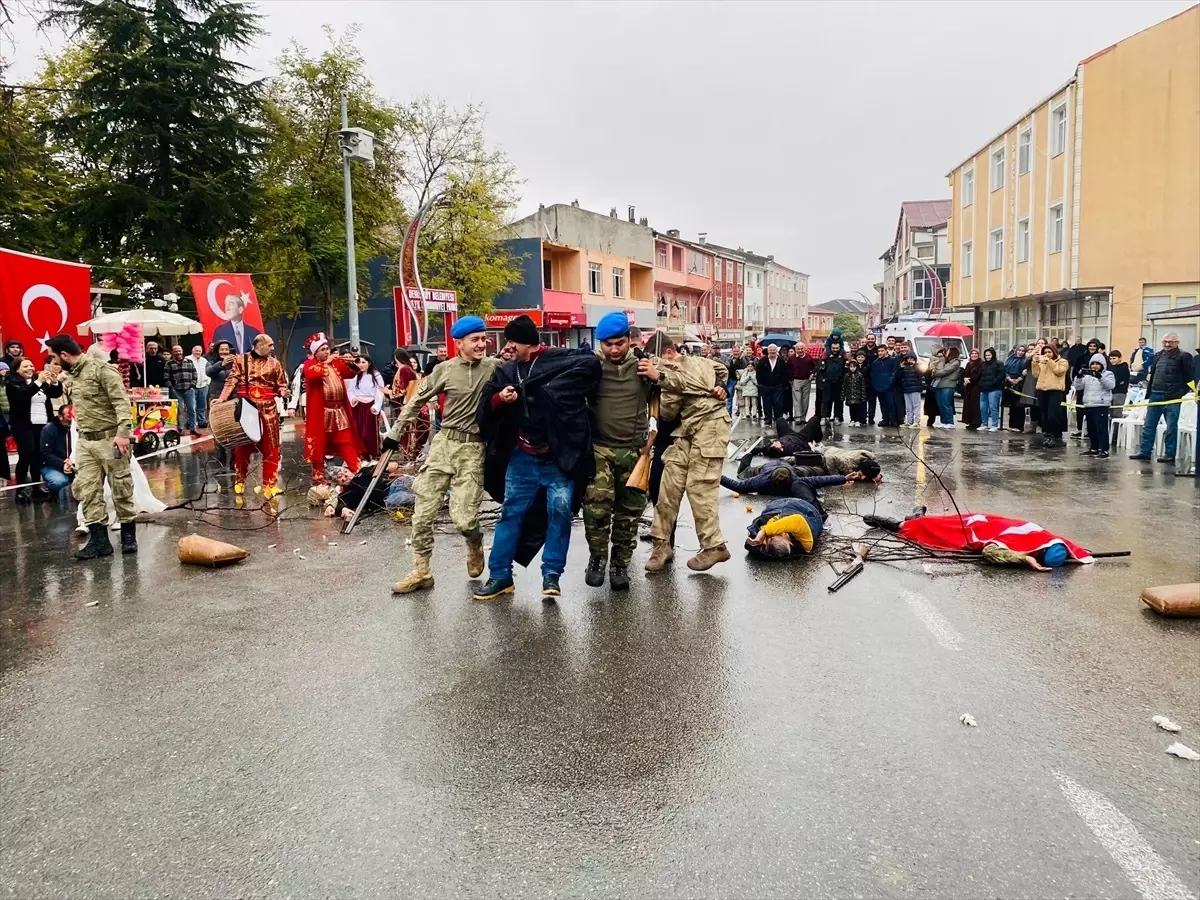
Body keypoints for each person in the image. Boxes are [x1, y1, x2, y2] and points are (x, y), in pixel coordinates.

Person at [475, 315, 601, 601]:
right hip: (522, 457)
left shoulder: (560, 361)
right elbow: (485, 407)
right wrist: (499, 400)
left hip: (557, 457)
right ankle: (500, 576)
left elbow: (591, 364)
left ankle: (552, 575)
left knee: (560, 512)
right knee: (510, 514)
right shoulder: (506, 372)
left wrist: (549, 390)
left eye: (512, 342)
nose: (508, 347)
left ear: (527, 343)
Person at [384, 317, 499, 594]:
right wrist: (395, 432)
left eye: (484, 339)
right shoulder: (444, 370)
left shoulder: (495, 368)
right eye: (475, 340)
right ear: (459, 343)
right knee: (422, 511)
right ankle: (421, 571)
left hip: (473, 449)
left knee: (464, 518)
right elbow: (417, 400)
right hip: (443, 444)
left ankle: (474, 542)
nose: (481, 344)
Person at [640, 333, 731, 574]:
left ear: (669, 354)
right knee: (667, 486)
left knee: (700, 486)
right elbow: (720, 370)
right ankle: (661, 544)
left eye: (657, 360)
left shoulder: (691, 365)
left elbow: (672, 405)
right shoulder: (683, 370)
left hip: (710, 426)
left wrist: (660, 378)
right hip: (687, 431)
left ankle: (714, 546)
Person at [46, 335, 138, 558]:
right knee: (87, 490)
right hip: (85, 441)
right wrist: (54, 381)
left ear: (65, 355)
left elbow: (121, 403)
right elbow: (59, 394)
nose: (53, 362)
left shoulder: (102, 370)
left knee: (121, 487)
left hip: (110, 439)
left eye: (54, 358)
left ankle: (128, 536)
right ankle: (100, 541)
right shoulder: (70, 375)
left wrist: (123, 434)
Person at [582, 312, 653, 591]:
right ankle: (598, 557)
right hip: (600, 448)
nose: (614, 349)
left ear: (629, 340)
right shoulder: (591, 366)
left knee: (629, 512)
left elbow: (694, 372)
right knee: (596, 507)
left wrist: (659, 377)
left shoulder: (644, 366)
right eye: (608, 344)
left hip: (635, 450)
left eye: (619, 343)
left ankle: (620, 564)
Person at [864, 509, 1093, 572]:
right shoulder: (1019, 543)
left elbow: (1074, 550)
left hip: (983, 523)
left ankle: (917, 518)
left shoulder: (1052, 539)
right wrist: (1023, 558)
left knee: (938, 525)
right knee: (932, 530)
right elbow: (991, 552)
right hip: (980, 527)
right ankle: (897, 523)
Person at [218, 333, 290, 498]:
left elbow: (280, 385)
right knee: (242, 447)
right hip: (247, 408)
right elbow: (231, 381)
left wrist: (283, 391)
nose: (272, 348)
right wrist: (221, 399)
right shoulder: (241, 360)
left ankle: (269, 485)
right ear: (259, 345)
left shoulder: (275, 363)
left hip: (269, 410)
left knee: (271, 448)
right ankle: (240, 481)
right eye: (270, 345)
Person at [302, 333, 362, 483]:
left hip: (339, 411)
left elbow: (351, 373)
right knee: (319, 443)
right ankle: (318, 475)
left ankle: (357, 469)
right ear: (316, 352)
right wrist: (326, 362)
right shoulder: (310, 364)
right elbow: (311, 375)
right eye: (322, 349)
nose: (326, 352)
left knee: (345, 440)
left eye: (327, 349)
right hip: (321, 413)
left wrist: (352, 362)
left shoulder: (337, 364)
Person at [1129, 333, 1196, 465]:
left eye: (1170, 342)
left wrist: (1185, 391)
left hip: (1172, 397)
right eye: (1165, 341)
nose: (1167, 344)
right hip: (1155, 395)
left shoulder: (1184, 356)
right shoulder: (1158, 355)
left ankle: (1169, 454)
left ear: (1177, 342)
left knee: (1171, 426)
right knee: (1148, 425)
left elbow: (1190, 376)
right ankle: (1145, 451)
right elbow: (1152, 373)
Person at [6, 357, 63, 503]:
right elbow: (22, 396)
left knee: (38, 456)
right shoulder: (12, 382)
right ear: (17, 369)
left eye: (31, 365)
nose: (30, 369)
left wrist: (55, 381)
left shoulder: (39, 382)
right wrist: (39, 382)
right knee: (26, 455)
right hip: (23, 425)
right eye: (25, 366)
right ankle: (20, 489)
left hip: (42, 424)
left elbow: (55, 393)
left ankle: (37, 487)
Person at [722, 459, 865, 500]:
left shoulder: (795, 479)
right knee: (743, 473)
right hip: (767, 467)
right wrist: (716, 477)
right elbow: (738, 486)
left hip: (788, 467)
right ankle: (748, 455)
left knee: (814, 471)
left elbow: (820, 479)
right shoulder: (761, 480)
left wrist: (843, 478)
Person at [389, 348, 429, 460]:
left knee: (409, 430)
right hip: (407, 403)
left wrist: (388, 392)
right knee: (409, 430)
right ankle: (411, 454)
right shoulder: (408, 369)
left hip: (405, 403)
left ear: (396, 358)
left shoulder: (404, 370)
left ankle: (410, 455)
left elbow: (402, 390)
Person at [1074, 352, 1116, 459]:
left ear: (1102, 365)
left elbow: (1110, 386)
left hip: (1101, 405)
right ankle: (1094, 448)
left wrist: (1100, 377)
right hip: (1089, 404)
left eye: (1098, 364)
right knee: (1091, 428)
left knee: (1101, 429)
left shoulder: (1108, 374)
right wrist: (1078, 377)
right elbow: (1078, 387)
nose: (1095, 366)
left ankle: (1104, 450)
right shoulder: (1087, 376)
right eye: (1093, 364)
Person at [346, 354, 386, 462]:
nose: (361, 365)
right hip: (358, 405)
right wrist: (353, 398)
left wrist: (376, 405)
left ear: (369, 363)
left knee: (370, 431)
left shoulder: (376, 375)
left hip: (370, 404)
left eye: (363, 362)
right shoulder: (355, 376)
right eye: (358, 362)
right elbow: (350, 390)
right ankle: (362, 453)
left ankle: (374, 452)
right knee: (358, 430)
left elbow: (380, 390)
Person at [1031, 343, 1069, 448]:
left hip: (1055, 391)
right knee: (1044, 414)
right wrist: (1034, 363)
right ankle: (1047, 434)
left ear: (1054, 352)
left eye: (1049, 352)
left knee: (1053, 414)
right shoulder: (1043, 362)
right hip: (1042, 390)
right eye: (1045, 352)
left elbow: (1059, 371)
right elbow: (1036, 374)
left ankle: (1056, 435)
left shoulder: (1063, 362)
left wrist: (1049, 362)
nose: (1047, 354)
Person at [39, 402, 74, 503]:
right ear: (60, 417)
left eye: (73, 416)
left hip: (73, 463)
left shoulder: (76, 428)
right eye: (69, 416)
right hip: (52, 465)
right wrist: (62, 463)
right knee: (59, 481)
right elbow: (45, 453)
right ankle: (52, 492)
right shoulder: (48, 430)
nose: (71, 419)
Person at [164, 344, 201, 437]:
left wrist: (192, 386)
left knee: (192, 409)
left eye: (179, 351)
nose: (178, 353)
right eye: (176, 351)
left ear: (182, 351)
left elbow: (195, 375)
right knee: (179, 410)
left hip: (189, 389)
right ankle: (180, 429)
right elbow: (166, 377)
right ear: (173, 352)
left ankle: (193, 428)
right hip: (177, 390)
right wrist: (171, 388)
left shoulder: (189, 361)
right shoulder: (169, 363)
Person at [1069, 339, 1102, 438]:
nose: (1092, 348)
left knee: (1092, 409)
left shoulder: (1101, 358)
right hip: (1082, 386)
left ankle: (1091, 430)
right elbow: (1075, 372)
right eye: (1090, 346)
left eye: (1094, 346)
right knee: (1080, 408)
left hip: (1095, 387)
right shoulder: (1081, 358)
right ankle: (1080, 428)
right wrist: (1079, 378)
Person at [928, 346, 962, 429]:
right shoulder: (946, 361)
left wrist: (935, 373)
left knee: (946, 404)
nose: (945, 353)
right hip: (940, 384)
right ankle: (944, 421)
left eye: (948, 351)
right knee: (940, 404)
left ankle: (950, 422)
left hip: (948, 385)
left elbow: (945, 371)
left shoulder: (955, 362)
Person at [755, 344, 788, 427]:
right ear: (768, 351)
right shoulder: (762, 360)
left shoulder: (781, 360)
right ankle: (768, 419)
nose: (772, 351)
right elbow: (758, 373)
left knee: (778, 403)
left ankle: (778, 419)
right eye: (771, 350)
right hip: (765, 386)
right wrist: (760, 384)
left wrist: (783, 384)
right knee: (766, 403)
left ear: (776, 351)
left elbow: (784, 373)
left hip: (778, 386)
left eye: (774, 350)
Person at [976, 347, 1006, 431]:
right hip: (984, 389)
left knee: (993, 407)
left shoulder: (999, 363)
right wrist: (980, 384)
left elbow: (1001, 375)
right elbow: (979, 375)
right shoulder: (983, 365)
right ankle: (984, 423)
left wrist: (993, 382)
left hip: (994, 389)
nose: (987, 357)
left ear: (993, 355)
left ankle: (994, 425)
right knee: (983, 407)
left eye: (989, 355)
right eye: (986, 355)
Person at [869, 345, 898, 427]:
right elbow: (873, 375)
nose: (880, 353)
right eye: (879, 351)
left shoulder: (892, 360)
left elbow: (894, 372)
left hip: (890, 387)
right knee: (883, 404)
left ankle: (893, 420)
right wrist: (875, 385)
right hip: (879, 387)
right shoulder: (875, 363)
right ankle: (885, 419)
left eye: (882, 351)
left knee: (891, 403)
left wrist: (890, 382)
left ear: (886, 351)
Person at [1003, 346, 1030, 432]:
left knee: (1019, 406)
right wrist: (1009, 378)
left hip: (1021, 384)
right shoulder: (1010, 359)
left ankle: (1019, 426)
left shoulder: (1025, 360)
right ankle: (1012, 425)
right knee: (1012, 405)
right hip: (1010, 382)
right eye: (1019, 350)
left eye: (1023, 351)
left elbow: (1026, 371)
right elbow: (1005, 370)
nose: (1020, 352)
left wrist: (1019, 379)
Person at [818, 341, 845, 424]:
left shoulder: (843, 357)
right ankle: (824, 417)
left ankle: (837, 417)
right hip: (827, 381)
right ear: (831, 348)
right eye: (833, 348)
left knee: (838, 401)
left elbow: (845, 369)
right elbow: (820, 369)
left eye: (837, 348)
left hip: (838, 381)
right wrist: (823, 379)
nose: (835, 350)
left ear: (839, 348)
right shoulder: (825, 357)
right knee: (826, 400)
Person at [788, 344, 816, 422]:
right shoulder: (792, 358)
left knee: (805, 400)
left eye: (801, 349)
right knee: (797, 400)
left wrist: (812, 374)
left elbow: (814, 367)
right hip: (796, 380)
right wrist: (791, 379)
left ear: (804, 349)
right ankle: (798, 417)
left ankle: (803, 417)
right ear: (796, 349)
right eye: (798, 349)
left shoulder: (808, 357)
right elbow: (788, 369)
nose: (800, 350)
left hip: (807, 380)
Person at [898, 351, 923, 428]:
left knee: (916, 406)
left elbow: (921, 374)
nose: (910, 360)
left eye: (911, 358)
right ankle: (909, 421)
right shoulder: (904, 367)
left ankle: (917, 421)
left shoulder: (917, 366)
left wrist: (914, 365)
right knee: (908, 406)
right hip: (906, 388)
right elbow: (899, 376)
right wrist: (900, 368)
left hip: (915, 388)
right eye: (908, 359)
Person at [188, 345, 210, 428]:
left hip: (203, 386)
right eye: (196, 350)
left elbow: (208, 371)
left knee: (201, 405)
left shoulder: (204, 360)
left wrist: (208, 382)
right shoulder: (187, 359)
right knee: (191, 406)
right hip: (191, 387)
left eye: (199, 351)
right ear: (192, 351)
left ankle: (201, 422)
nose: (198, 352)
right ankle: (191, 423)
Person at [842, 356, 868, 426]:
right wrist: (843, 396)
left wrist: (863, 396)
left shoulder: (859, 375)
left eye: (854, 366)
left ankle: (857, 420)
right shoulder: (847, 376)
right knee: (851, 409)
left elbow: (862, 386)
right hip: (850, 396)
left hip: (858, 396)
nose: (852, 368)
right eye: (851, 367)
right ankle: (852, 419)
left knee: (858, 409)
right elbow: (844, 386)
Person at [961, 348, 983, 430]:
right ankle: (970, 421)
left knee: (975, 405)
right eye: (972, 353)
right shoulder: (968, 364)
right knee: (968, 405)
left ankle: (976, 422)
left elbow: (979, 375)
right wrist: (964, 379)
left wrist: (969, 380)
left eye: (976, 353)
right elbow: (964, 373)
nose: (974, 355)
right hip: (968, 387)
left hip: (976, 387)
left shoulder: (981, 364)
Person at [1107, 349, 1130, 419]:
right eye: (1110, 359)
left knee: (1117, 412)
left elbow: (1120, 379)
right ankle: (1111, 428)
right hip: (1110, 392)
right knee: (1110, 413)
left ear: (1120, 358)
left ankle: (1116, 429)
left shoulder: (1124, 367)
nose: (1112, 360)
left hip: (1120, 392)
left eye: (1114, 358)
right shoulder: (1110, 368)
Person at [725, 345, 747, 415]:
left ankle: (740, 412)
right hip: (731, 380)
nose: (736, 353)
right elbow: (726, 367)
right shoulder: (728, 359)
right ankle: (729, 412)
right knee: (729, 397)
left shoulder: (743, 359)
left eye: (737, 351)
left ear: (740, 351)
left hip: (740, 380)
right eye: (734, 351)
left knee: (740, 397)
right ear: (732, 352)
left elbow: (745, 368)